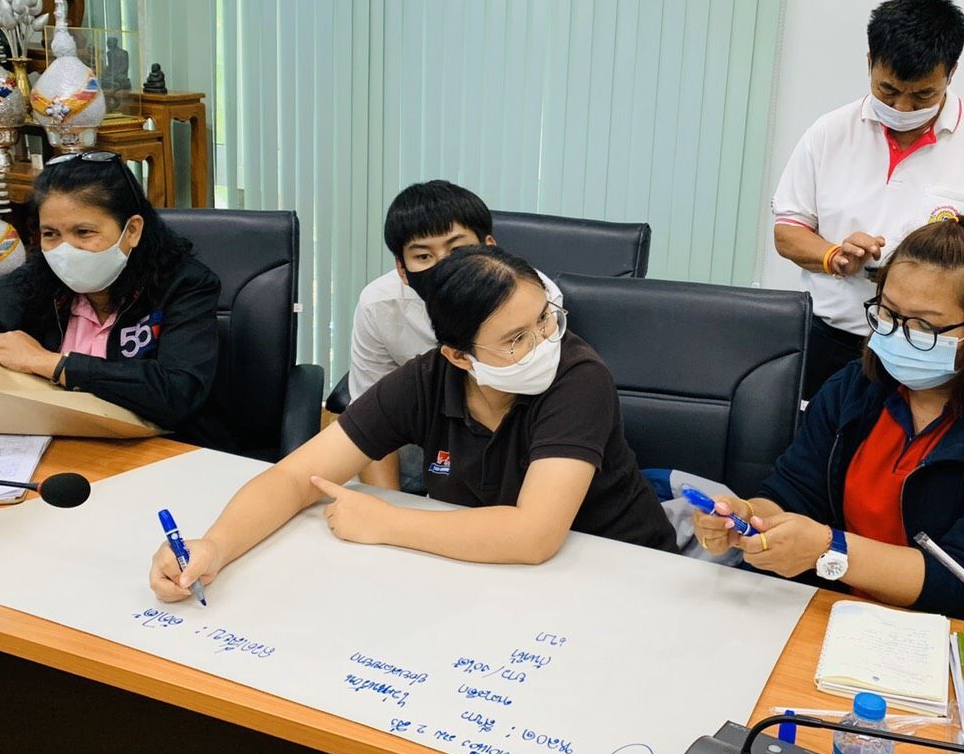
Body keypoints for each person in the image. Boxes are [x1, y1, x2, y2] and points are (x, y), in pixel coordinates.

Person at [149, 245, 675, 600]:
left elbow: (533, 534)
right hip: (501, 582)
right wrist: (215, 546)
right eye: (517, 339)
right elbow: (295, 477)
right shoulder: (427, 380)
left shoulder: (578, 377)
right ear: (459, 357)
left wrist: (386, 522)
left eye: (545, 319)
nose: (544, 343)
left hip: (624, 576)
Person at [693, 217, 964, 622]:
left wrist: (831, 550)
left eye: (925, 325)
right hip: (842, 616)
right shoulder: (855, 388)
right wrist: (746, 517)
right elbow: (794, 492)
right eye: (887, 313)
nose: (899, 334)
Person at [771, 0, 964, 399]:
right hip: (832, 338)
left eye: (923, 95)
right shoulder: (828, 134)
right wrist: (834, 256)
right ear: (870, 62)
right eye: (888, 90)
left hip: (929, 350)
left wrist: (927, 275)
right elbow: (788, 232)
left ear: (951, 72)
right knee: (824, 433)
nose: (904, 108)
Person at [0, 151, 227, 447]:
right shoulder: (23, 290)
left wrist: (50, 364)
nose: (65, 250)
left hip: (160, 454)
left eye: (83, 232)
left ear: (132, 231)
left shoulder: (184, 285)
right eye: (51, 234)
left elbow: (177, 393)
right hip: (49, 456)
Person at [348, 180, 560, 491]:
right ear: (402, 269)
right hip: (427, 438)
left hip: (520, 437)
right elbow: (370, 420)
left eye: (458, 250)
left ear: (490, 248)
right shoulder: (378, 306)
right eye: (423, 256)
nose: (445, 267)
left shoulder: (535, 297)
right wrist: (385, 504)